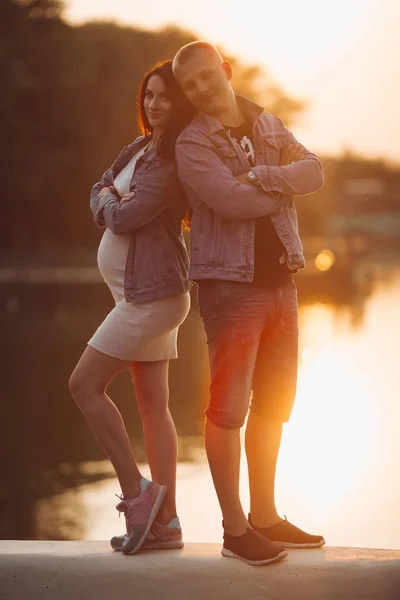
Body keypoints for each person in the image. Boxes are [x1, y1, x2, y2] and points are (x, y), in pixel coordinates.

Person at [172, 41, 325, 566]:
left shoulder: (267, 126)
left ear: (225, 70)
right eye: (189, 84)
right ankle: (235, 530)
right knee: (229, 409)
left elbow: (316, 172)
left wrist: (262, 176)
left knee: (274, 406)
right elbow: (229, 203)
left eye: (206, 76)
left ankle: (265, 516)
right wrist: (284, 187)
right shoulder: (192, 143)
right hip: (230, 288)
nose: (199, 89)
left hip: (283, 280)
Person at [69, 60, 196, 555]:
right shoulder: (139, 148)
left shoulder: (169, 161)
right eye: (149, 94)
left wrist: (106, 202)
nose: (154, 103)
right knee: (153, 405)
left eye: (165, 96)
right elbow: (102, 186)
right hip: (139, 295)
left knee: (83, 384)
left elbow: (124, 217)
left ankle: (138, 493)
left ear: (180, 102)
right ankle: (167, 523)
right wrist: (107, 199)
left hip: (152, 296)